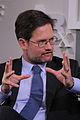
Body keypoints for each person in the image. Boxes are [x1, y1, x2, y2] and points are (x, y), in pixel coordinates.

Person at [0, 9, 80, 120]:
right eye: (42, 42)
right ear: (23, 43)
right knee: (4, 113)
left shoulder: (67, 68)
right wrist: (3, 91)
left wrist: (72, 84)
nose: (49, 47)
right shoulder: (6, 72)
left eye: (51, 40)